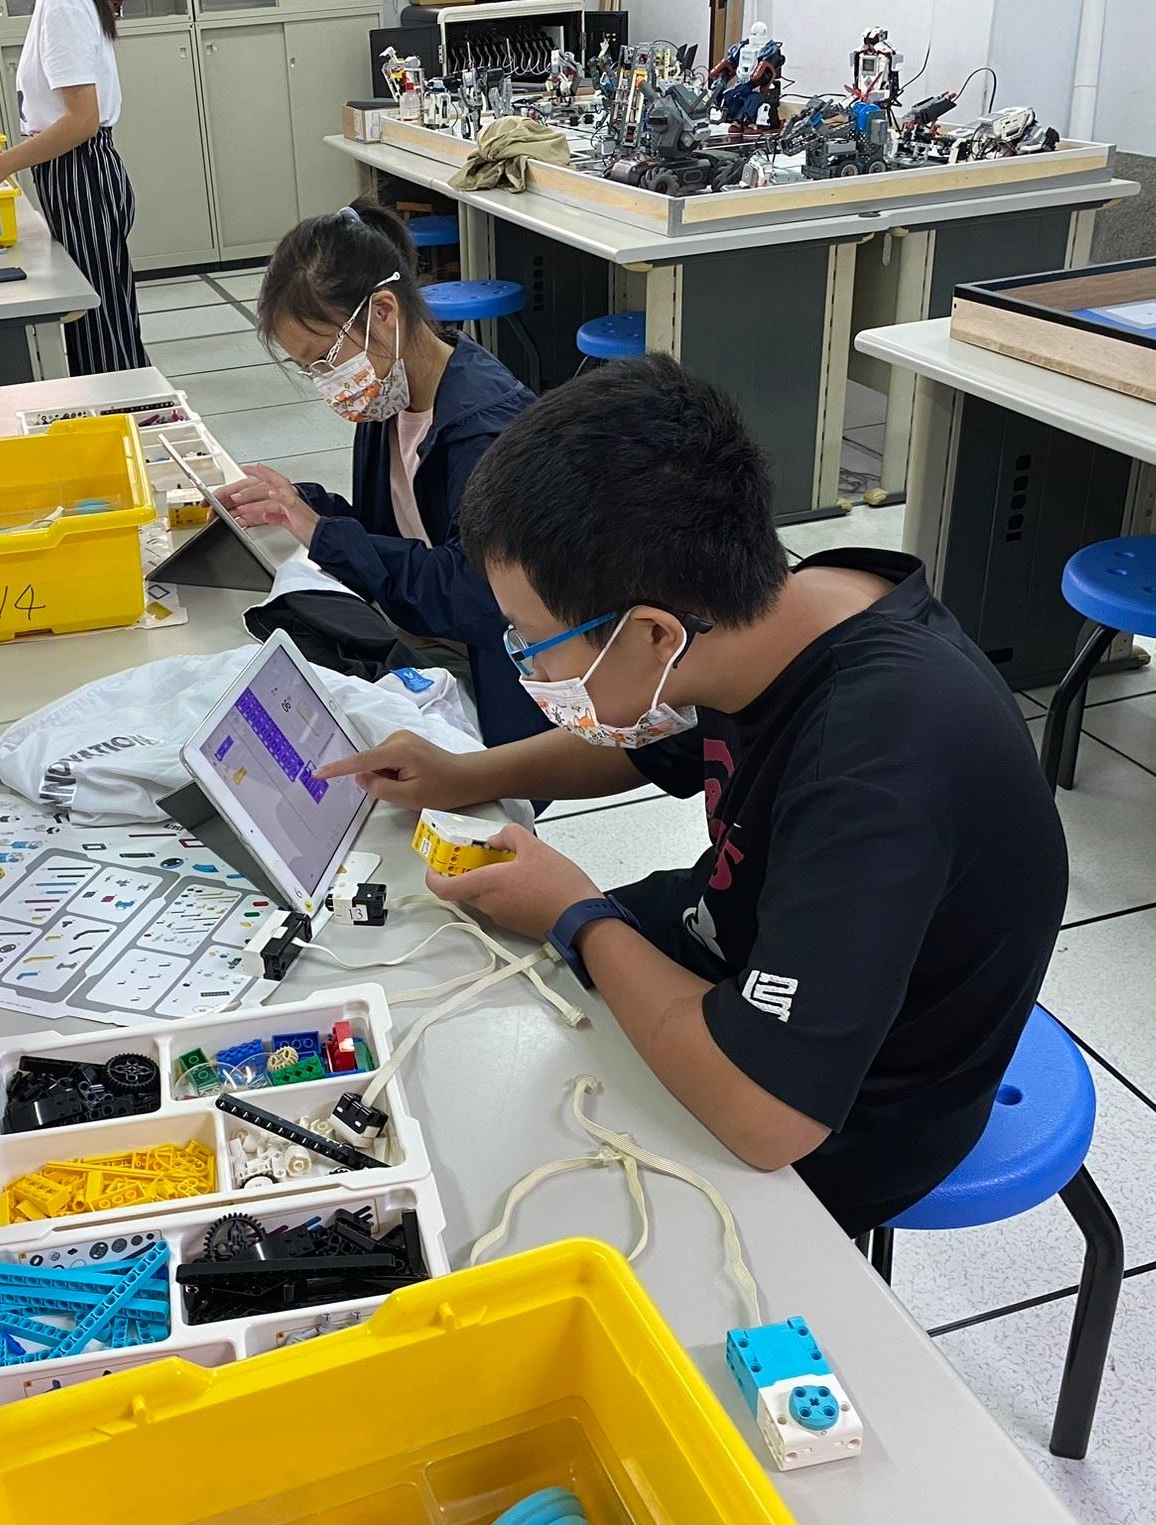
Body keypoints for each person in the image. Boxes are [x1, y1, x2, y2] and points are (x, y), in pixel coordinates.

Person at [319, 355, 1070, 1237]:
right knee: (462, 992)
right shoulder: (765, 614)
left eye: (530, 640)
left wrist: (574, 912)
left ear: (651, 633)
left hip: (852, 1104)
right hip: (736, 944)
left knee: (507, 1190)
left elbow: (767, 1119)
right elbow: (647, 739)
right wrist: (468, 774)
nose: (528, 670)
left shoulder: (877, 765)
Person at [222, 203, 541, 748]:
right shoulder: (389, 397)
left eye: (326, 358)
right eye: (309, 369)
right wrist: (298, 505)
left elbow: (474, 598)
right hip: (426, 637)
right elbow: (392, 532)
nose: (326, 381)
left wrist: (324, 535)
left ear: (384, 312)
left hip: (499, 673)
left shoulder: (484, 431)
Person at [0, 0, 146, 375]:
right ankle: (125, 398)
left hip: (80, 174)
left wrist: (4, 165)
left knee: (98, 322)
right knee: (106, 314)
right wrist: (5, 157)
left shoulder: (65, 6)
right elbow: (59, 117)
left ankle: (121, 403)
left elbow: (82, 121)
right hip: (75, 168)